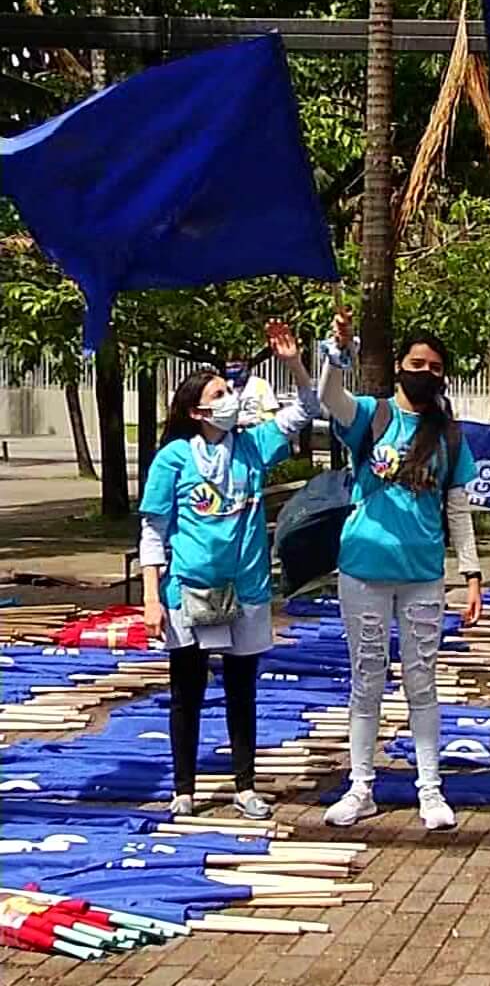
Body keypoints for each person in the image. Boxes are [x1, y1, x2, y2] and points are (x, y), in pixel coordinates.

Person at [141, 322, 318, 820]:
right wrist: (152, 598)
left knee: (242, 690)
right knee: (187, 691)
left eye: (230, 390)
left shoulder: (253, 446)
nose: (231, 398)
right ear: (197, 410)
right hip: (189, 592)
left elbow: (305, 411)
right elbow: (154, 533)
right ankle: (184, 788)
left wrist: (294, 363)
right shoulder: (173, 459)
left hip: (247, 590)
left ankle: (245, 785)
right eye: (219, 394)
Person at [316, 309, 483, 832]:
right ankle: (360, 787)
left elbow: (458, 509)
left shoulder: (450, 437)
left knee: (422, 682)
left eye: (435, 366)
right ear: (399, 365)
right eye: (417, 362)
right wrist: (335, 351)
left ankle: (430, 790)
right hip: (363, 571)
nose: (425, 372)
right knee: (367, 680)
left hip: (423, 576)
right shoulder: (373, 415)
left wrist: (472, 573)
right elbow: (328, 399)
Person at [222, 354, 282, 430]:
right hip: (233, 432)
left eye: (236, 366)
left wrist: (259, 424)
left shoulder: (260, 384)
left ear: (245, 366)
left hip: (256, 430)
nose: (232, 370)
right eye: (228, 368)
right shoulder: (226, 386)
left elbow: (270, 412)